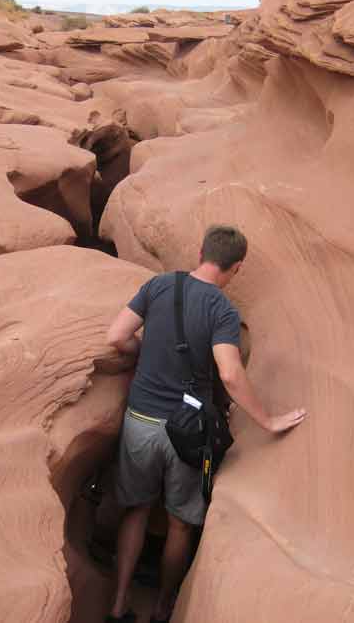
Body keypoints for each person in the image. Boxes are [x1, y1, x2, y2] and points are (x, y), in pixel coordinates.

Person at [104, 224, 308, 622]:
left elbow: (116, 336)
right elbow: (230, 374)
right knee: (180, 524)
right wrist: (267, 421)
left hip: (141, 419)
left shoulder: (159, 286)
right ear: (236, 269)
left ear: (200, 252)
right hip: (187, 432)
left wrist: (142, 352)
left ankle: (117, 605)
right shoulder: (222, 311)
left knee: (137, 511)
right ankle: (165, 607)